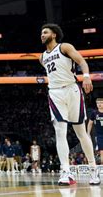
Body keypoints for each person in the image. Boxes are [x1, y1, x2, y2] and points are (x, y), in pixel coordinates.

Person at [40, 23, 100, 185]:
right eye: (41, 33)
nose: (42, 35)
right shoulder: (42, 57)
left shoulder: (64, 47)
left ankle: (93, 169)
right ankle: (66, 172)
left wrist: (86, 76)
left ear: (54, 35)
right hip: (54, 93)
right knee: (60, 131)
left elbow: (82, 61)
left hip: (72, 90)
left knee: (81, 132)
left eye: (45, 32)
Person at [87, 98, 103, 166]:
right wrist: (88, 133)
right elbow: (90, 123)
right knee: (101, 151)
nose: (99, 104)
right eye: (98, 103)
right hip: (100, 135)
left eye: (101, 103)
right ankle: (102, 165)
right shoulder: (94, 113)